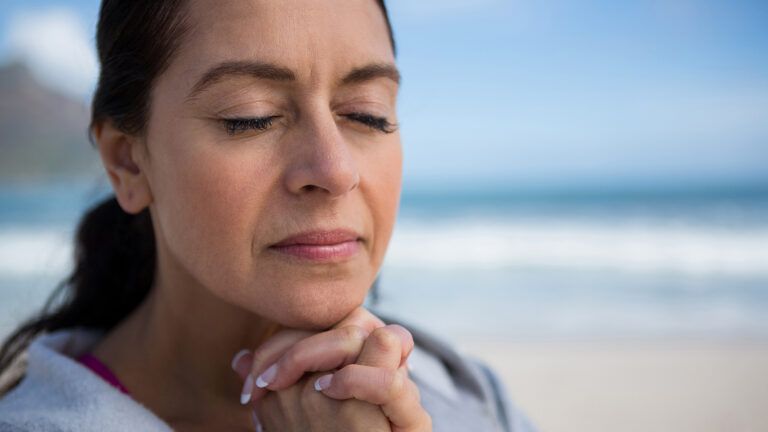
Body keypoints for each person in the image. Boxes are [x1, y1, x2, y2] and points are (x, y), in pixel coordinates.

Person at [0, 1, 538, 431]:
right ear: (128, 163)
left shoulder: (466, 392)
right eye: (250, 118)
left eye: (367, 115)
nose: (335, 169)